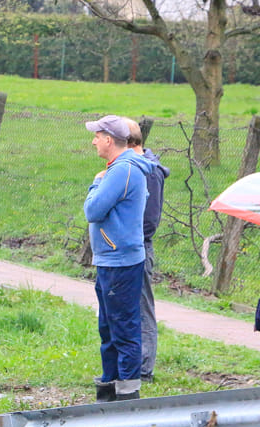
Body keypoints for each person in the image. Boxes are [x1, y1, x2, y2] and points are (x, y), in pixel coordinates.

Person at [83, 115, 154, 402]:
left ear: (109, 140)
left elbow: (93, 210)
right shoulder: (119, 169)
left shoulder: (122, 171)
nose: (93, 141)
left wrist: (94, 185)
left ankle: (126, 397)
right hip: (110, 259)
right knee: (108, 326)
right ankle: (108, 388)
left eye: (97, 136)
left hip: (120, 261)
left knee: (123, 328)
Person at [124, 118, 169, 384]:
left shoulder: (149, 173)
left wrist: (127, 238)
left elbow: (148, 221)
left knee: (141, 308)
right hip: (127, 248)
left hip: (138, 249)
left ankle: (144, 368)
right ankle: (130, 365)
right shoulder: (131, 167)